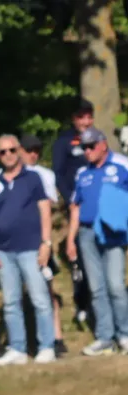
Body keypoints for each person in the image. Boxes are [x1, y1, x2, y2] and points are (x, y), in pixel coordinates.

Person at [0, 134, 55, 366]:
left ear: (19, 151)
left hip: (31, 249)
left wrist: (46, 243)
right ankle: (17, 348)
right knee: (11, 301)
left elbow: (45, 210)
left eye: (12, 150)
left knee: (40, 298)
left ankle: (46, 346)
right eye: (3, 152)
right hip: (4, 251)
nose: (8, 155)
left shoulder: (33, 178)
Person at [66, 128, 128, 356]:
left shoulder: (122, 164)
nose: (88, 151)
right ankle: (104, 337)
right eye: (84, 147)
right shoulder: (83, 173)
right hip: (87, 232)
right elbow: (76, 206)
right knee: (96, 287)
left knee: (115, 285)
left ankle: (125, 333)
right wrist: (70, 239)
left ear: (103, 144)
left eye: (91, 146)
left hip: (113, 231)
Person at [19, 133, 67, 356]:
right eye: (29, 150)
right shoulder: (3, 175)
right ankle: (22, 341)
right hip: (14, 242)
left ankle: (57, 337)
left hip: (39, 240)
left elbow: (51, 203)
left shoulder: (44, 174)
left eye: (36, 150)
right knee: (16, 294)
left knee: (47, 289)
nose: (33, 154)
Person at [52, 98, 94, 326]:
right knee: (81, 258)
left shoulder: (99, 139)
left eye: (89, 116)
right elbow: (58, 174)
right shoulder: (64, 142)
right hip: (77, 207)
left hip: (100, 208)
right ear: (73, 119)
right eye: (81, 117)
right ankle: (82, 303)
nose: (86, 121)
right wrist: (70, 201)